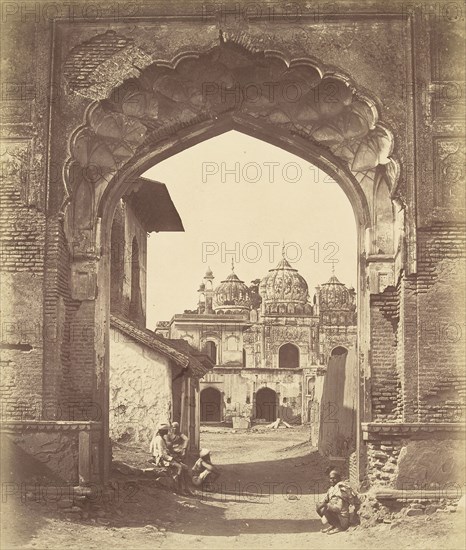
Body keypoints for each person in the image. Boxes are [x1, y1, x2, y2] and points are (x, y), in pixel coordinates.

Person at [149, 423, 191, 495]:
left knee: (186, 468)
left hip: (166, 457)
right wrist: (172, 458)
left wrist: (174, 457)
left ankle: (187, 488)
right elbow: (162, 454)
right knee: (180, 467)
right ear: (162, 431)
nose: (167, 432)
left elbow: (165, 451)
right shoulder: (159, 439)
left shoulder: (161, 438)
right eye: (166, 431)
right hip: (162, 460)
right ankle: (179, 489)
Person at [316, 469, 360, 534]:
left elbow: (338, 509)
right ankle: (334, 525)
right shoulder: (331, 489)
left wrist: (326, 505)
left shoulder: (342, 489)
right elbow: (325, 500)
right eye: (331, 478)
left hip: (343, 518)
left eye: (334, 478)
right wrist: (319, 505)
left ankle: (340, 527)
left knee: (326, 509)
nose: (332, 480)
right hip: (337, 515)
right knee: (320, 507)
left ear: (339, 478)